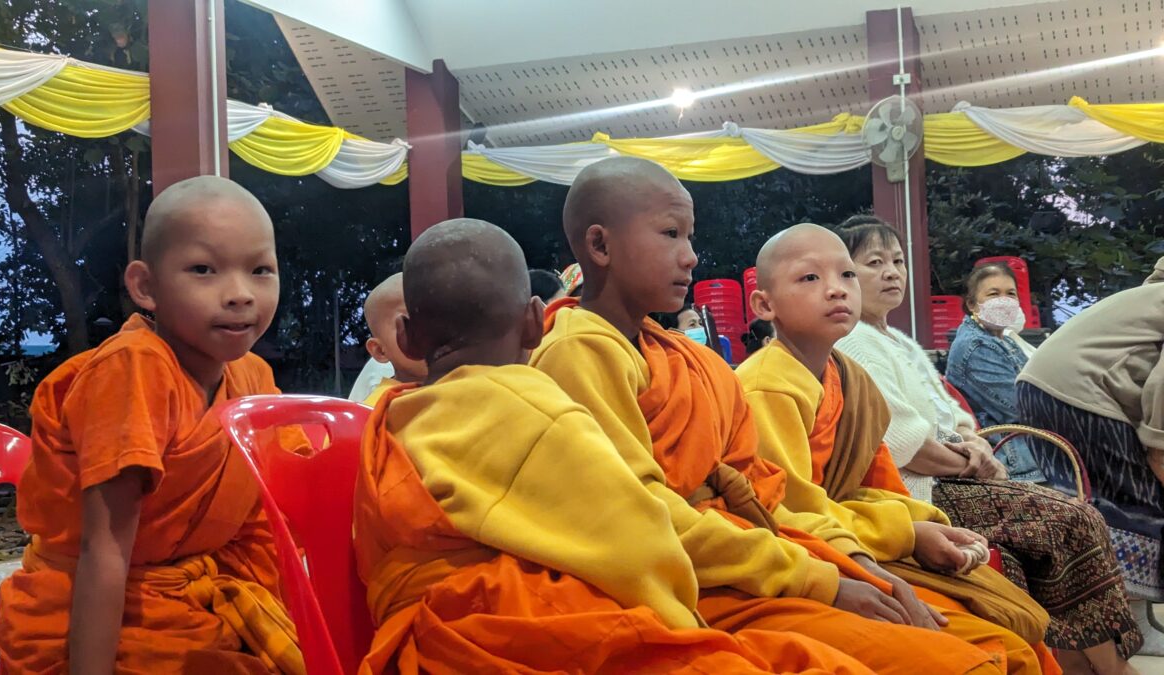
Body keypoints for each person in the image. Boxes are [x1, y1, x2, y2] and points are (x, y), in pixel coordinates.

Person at [531, 156, 1014, 675]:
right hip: (696, 580)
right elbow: (644, 521)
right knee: (970, 661)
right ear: (600, 246)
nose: (692, 257)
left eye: (691, 237)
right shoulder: (578, 353)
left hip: (767, 553)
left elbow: (760, 493)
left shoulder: (684, 356)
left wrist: (856, 559)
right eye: (671, 234)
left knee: (1002, 635)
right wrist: (826, 576)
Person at [353, 218, 871, 675]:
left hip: (428, 638)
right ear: (536, 320)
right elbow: (638, 539)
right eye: (671, 233)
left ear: (407, 336)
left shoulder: (389, 418)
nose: (689, 254)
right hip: (548, 630)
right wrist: (683, 632)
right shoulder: (537, 404)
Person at [0, 176, 304, 674]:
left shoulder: (254, 378)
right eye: (204, 269)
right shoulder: (134, 369)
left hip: (195, 606)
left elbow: (274, 521)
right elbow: (105, 547)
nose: (240, 294)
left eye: (260, 270)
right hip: (90, 619)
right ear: (145, 286)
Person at [740, 223, 1061, 672]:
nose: (836, 290)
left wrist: (924, 523)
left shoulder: (848, 377)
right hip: (817, 553)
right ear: (764, 305)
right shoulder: (766, 387)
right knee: (988, 651)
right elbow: (783, 510)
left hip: (859, 534)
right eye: (810, 278)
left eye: (846, 275)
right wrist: (906, 534)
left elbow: (877, 482)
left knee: (1022, 632)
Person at [833, 215, 1142, 674]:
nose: (892, 272)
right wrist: (971, 461)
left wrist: (972, 446)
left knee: (1054, 531)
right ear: (847, 275)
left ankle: (1082, 665)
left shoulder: (894, 338)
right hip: (921, 493)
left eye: (898, 261)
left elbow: (951, 414)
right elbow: (904, 445)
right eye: (874, 262)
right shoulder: (854, 341)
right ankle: (1113, 669)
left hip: (958, 471)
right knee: (1073, 519)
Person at [1017, 255, 1164, 599]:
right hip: (1079, 390)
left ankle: (1122, 627)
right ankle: (1120, 629)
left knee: (1101, 514)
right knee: (1136, 513)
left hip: (1045, 385)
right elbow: (1160, 443)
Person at [946, 263, 1044, 482]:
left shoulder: (1004, 338)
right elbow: (1022, 408)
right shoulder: (976, 346)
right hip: (1016, 459)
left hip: (1034, 448)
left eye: (1010, 294)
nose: (1004, 300)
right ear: (972, 304)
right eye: (994, 294)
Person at [348, 272, 428, 406]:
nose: (429, 330)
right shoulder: (379, 407)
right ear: (379, 351)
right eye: (408, 321)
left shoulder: (466, 382)